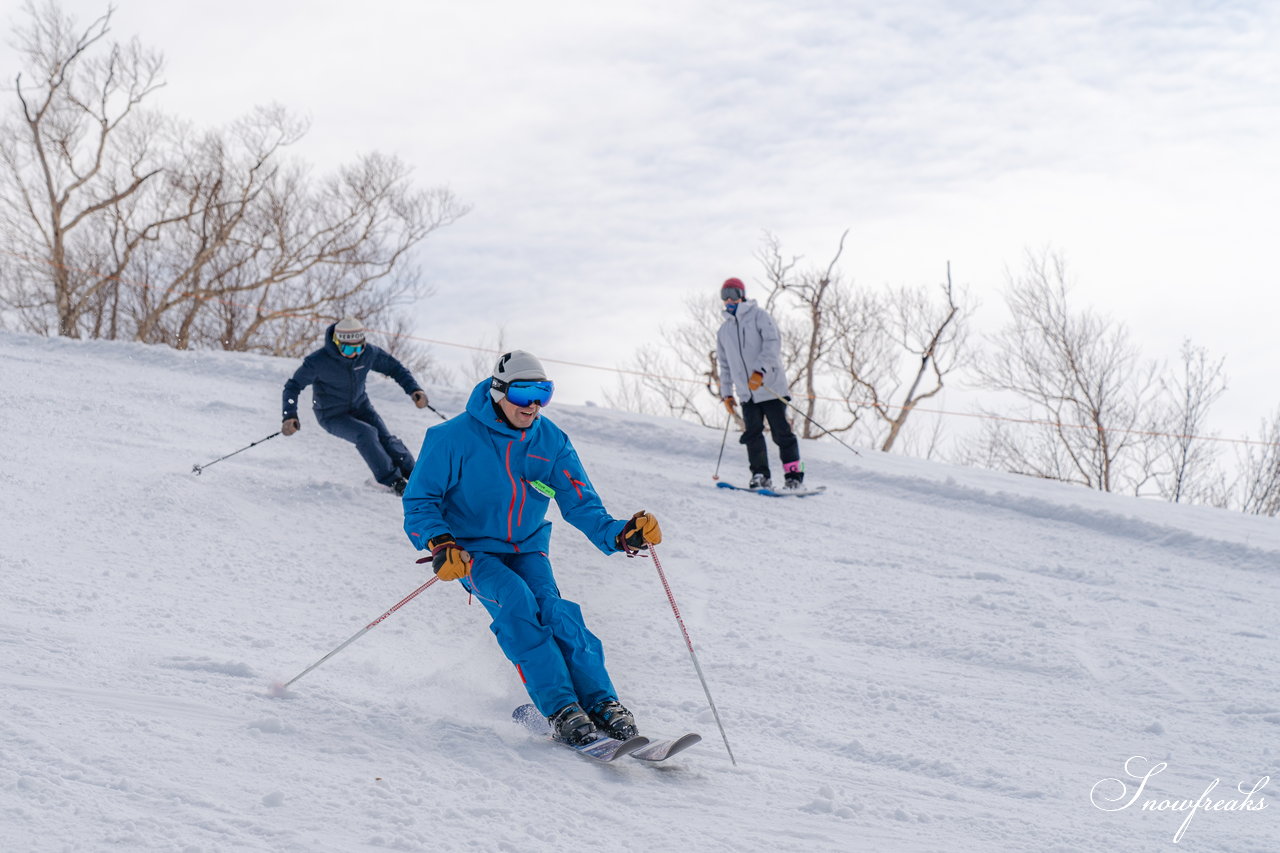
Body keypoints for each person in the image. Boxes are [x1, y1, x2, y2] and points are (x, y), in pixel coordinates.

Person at [401, 350, 662, 745]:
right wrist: (440, 544)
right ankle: (562, 709)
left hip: (527, 547)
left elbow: (581, 503)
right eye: (524, 394)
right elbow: (420, 501)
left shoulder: (551, 440)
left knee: (557, 611)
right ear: (498, 392)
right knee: (517, 601)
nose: (533, 405)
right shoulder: (451, 438)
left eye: (543, 393)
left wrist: (621, 534)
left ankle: (603, 704)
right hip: (470, 552)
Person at [281, 317, 429, 495]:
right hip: (331, 415)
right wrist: (289, 415)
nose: (354, 353)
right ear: (337, 342)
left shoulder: (368, 354)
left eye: (358, 347)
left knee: (386, 438)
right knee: (366, 434)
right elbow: (293, 386)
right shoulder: (318, 361)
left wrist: (414, 390)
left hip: (361, 406)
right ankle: (393, 481)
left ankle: (414, 474)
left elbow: (395, 368)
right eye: (348, 348)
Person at [715, 277, 805, 490]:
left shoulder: (759, 317)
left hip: (770, 388)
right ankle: (760, 475)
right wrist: (726, 394)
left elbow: (773, 344)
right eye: (725, 294)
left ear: (742, 295)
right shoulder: (724, 331)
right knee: (752, 435)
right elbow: (724, 365)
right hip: (747, 394)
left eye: (733, 293)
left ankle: (794, 476)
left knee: (781, 433)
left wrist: (760, 371)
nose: (729, 299)